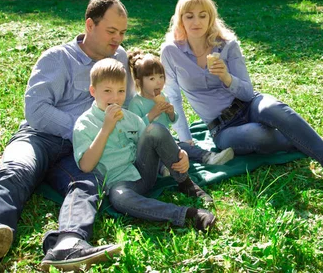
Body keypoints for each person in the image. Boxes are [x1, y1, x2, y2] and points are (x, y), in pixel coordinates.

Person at [0, 0, 146, 271]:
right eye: (111, 31)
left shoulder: (118, 58)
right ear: (89, 25)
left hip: (82, 147)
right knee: (16, 171)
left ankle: (68, 245)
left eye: (122, 32)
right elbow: (36, 109)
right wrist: (82, 129)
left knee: (86, 183)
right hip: (39, 136)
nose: (118, 39)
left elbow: (126, 105)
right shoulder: (58, 58)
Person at [160, 0, 323, 179]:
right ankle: (300, 138)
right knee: (258, 134)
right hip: (222, 128)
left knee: (274, 109)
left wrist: (227, 78)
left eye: (203, 15)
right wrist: (186, 140)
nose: (197, 21)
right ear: (181, 20)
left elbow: (247, 93)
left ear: (211, 18)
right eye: (189, 16)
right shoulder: (170, 52)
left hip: (249, 105)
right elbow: (173, 98)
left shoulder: (227, 44)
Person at [72, 58, 216, 231]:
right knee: (119, 199)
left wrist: (180, 153)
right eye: (107, 91)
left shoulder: (130, 118)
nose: (115, 97)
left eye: (121, 91)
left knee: (154, 129)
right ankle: (186, 214)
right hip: (120, 183)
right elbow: (86, 166)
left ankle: (186, 182)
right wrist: (106, 129)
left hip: (144, 171)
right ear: (93, 91)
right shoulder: (84, 124)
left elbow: (152, 141)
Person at [126, 48, 235, 168]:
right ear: (139, 81)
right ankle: (164, 169)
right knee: (156, 157)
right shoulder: (136, 104)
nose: (158, 82)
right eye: (152, 79)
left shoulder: (163, 96)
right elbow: (135, 132)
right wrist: (151, 115)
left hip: (167, 142)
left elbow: (171, 120)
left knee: (185, 147)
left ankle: (210, 157)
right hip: (148, 148)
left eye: (161, 77)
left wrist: (171, 113)